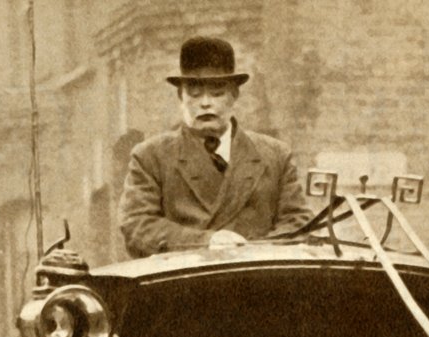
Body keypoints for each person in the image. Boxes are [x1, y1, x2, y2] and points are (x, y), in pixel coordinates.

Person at [119, 36, 311, 258]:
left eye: (217, 92)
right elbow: (137, 225)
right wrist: (206, 241)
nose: (205, 102)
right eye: (194, 93)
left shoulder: (275, 156)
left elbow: (299, 224)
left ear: (234, 95)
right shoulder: (151, 157)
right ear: (180, 96)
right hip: (180, 285)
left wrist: (252, 252)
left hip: (258, 282)